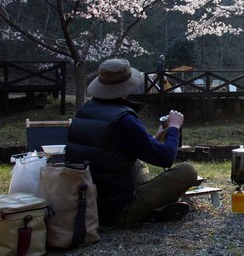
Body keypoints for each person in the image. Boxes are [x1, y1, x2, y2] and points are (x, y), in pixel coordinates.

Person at [66, 58, 197, 227]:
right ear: (127, 86)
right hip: (118, 211)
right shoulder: (123, 119)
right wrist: (174, 128)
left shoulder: (85, 111)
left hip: (87, 206)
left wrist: (155, 137)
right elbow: (166, 158)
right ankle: (149, 212)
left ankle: (154, 209)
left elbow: (115, 148)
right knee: (187, 170)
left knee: (138, 165)